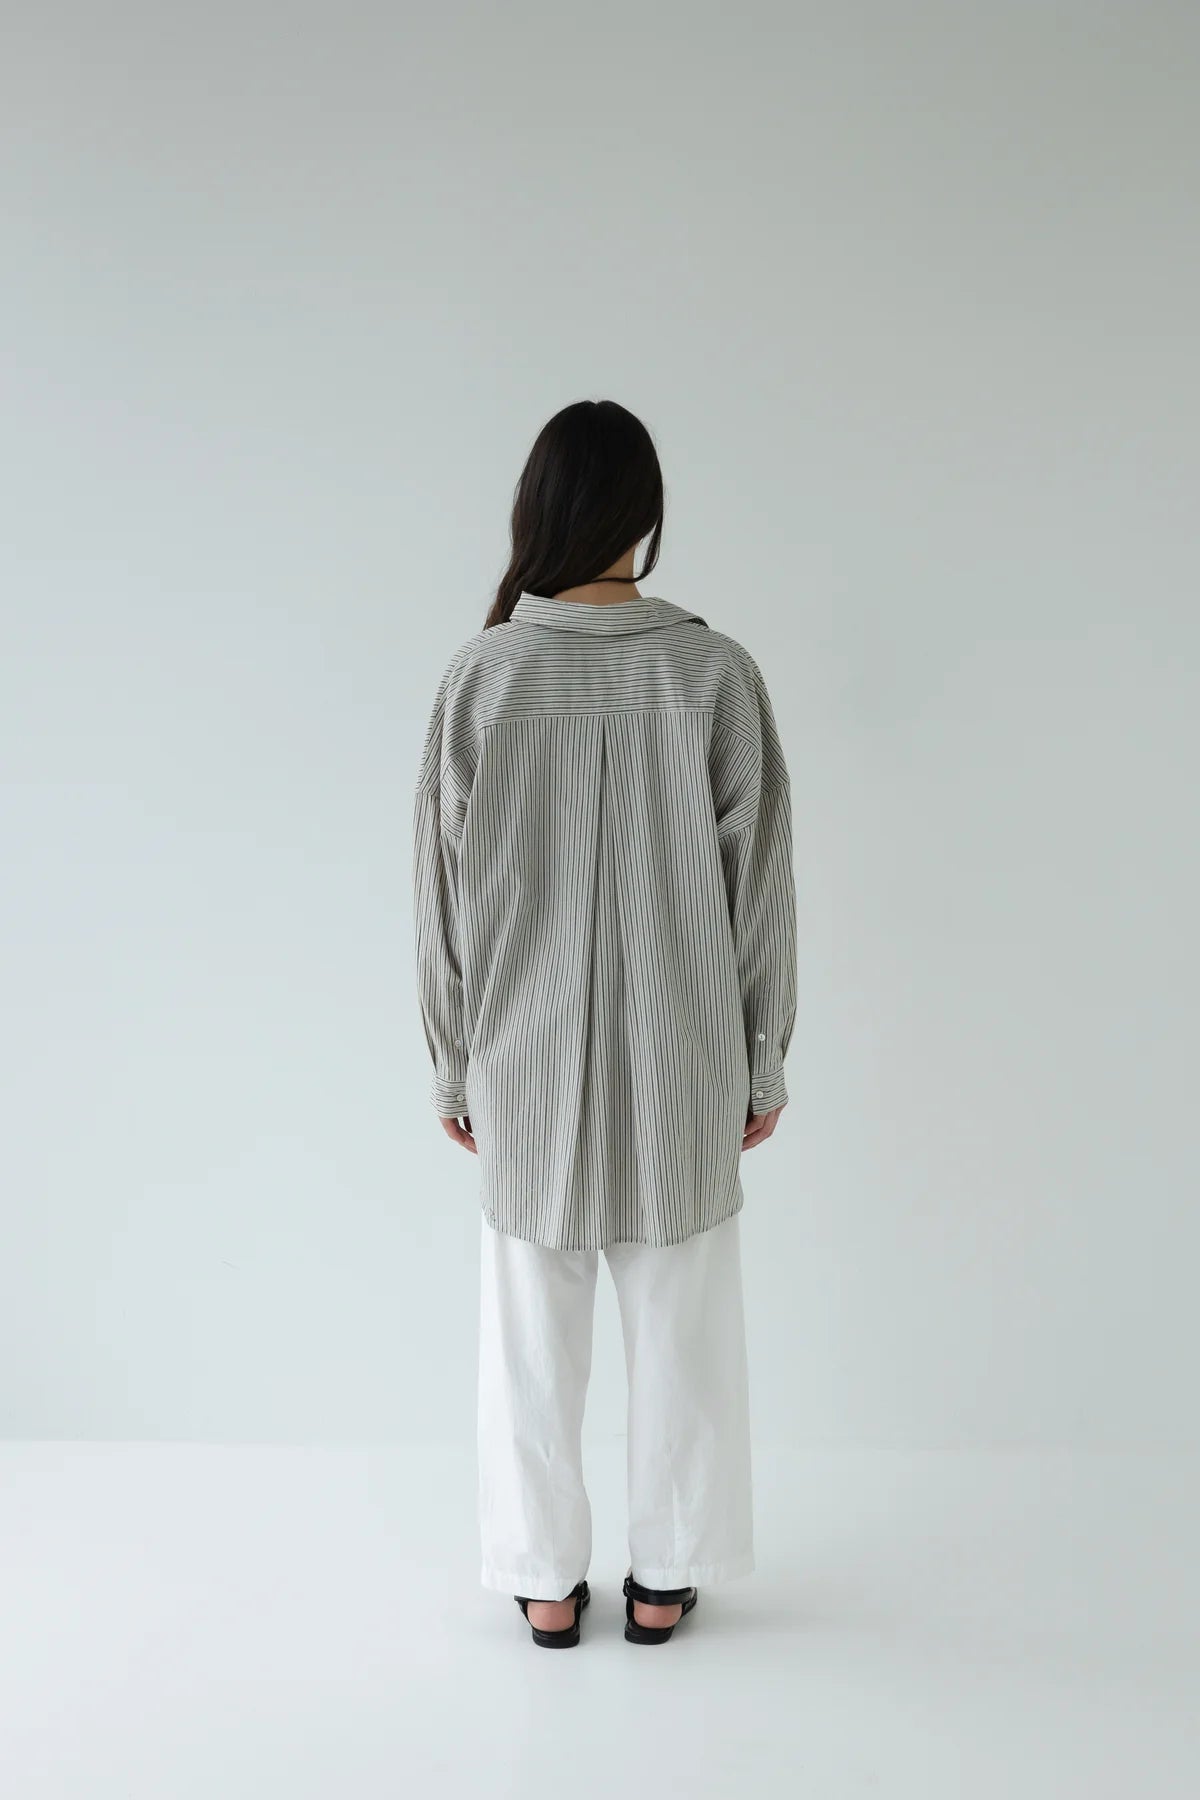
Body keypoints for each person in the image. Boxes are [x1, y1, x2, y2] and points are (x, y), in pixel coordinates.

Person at [412, 399, 797, 1648]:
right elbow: (759, 885)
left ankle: (541, 1580)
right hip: (687, 1053)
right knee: (685, 1326)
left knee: (529, 1335)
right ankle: (667, 1576)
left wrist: (454, 1063)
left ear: (538, 511)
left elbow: (439, 892)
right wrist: (762, 1056)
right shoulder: (711, 671)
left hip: (521, 1059)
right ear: (644, 514)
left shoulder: (484, 676)